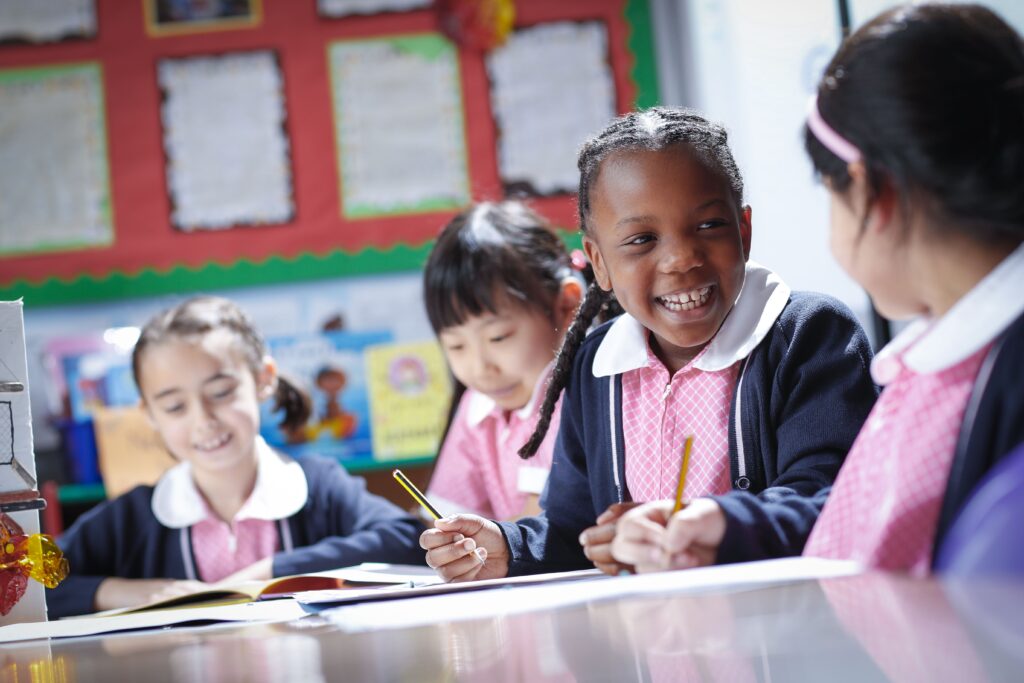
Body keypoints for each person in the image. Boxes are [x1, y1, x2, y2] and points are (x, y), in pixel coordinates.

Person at [615, 3, 1024, 576]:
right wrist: (732, 527)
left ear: (868, 193)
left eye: (828, 194)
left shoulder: (996, 374)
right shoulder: (953, 360)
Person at [421, 108, 878, 581]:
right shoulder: (596, 366)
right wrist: (510, 547)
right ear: (598, 261)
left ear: (743, 230)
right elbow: (573, 529)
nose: (681, 259)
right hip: (654, 644)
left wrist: (713, 527)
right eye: (641, 239)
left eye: (708, 226)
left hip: (778, 638)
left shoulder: (809, 335)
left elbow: (831, 499)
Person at [48, 296, 426, 617]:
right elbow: (28, 582)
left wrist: (273, 572)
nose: (204, 421)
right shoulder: (131, 519)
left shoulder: (317, 486)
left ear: (263, 379)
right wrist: (117, 592)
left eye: (222, 393)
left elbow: (408, 538)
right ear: (149, 413)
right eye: (176, 406)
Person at [423, 201, 584, 521]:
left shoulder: (577, 395)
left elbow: (536, 523)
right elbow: (445, 515)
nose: (481, 368)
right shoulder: (478, 405)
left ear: (566, 305)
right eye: (456, 346)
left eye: (498, 337)